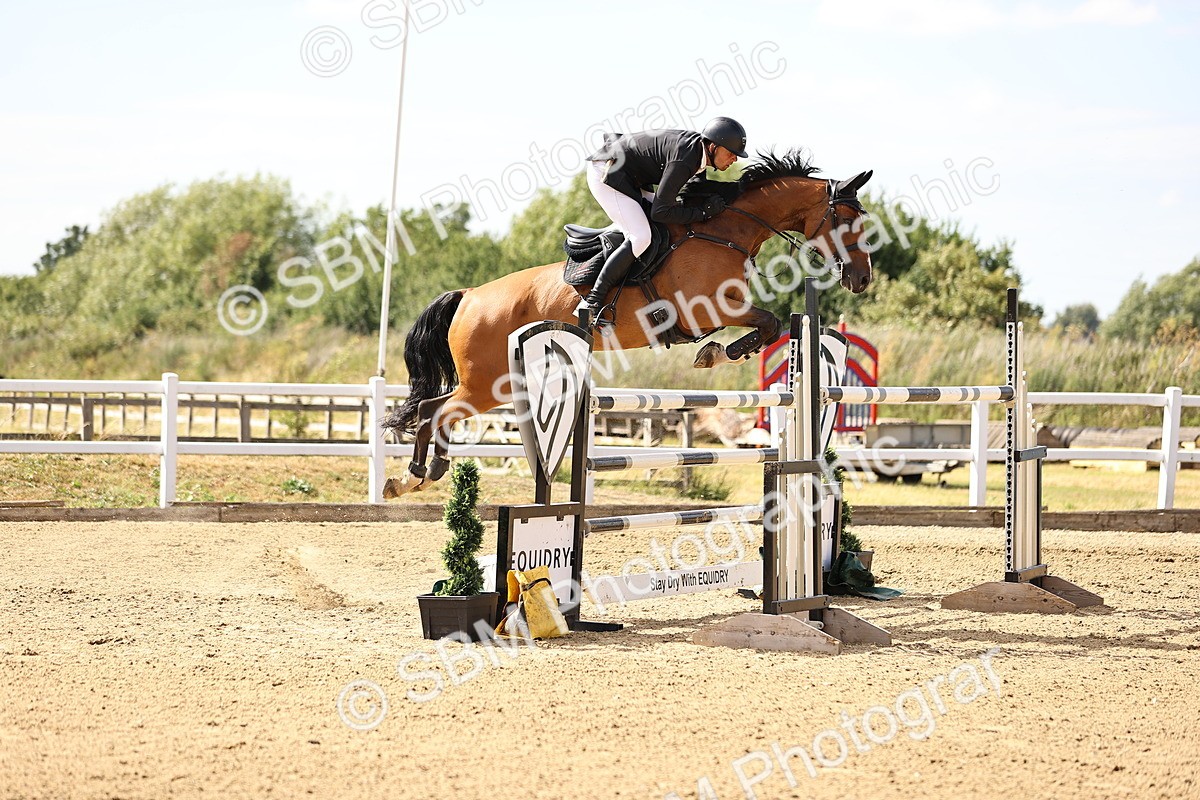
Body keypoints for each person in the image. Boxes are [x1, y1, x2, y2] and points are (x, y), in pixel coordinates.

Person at [577, 117, 748, 325]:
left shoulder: (698, 153)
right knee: (641, 237)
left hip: (631, 174)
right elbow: (661, 211)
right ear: (713, 147)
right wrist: (703, 213)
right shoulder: (685, 159)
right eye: (731, 153)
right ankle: (591, 302)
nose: (734, 160)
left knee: (664, 225)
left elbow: (689, 193)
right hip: (607, 171)